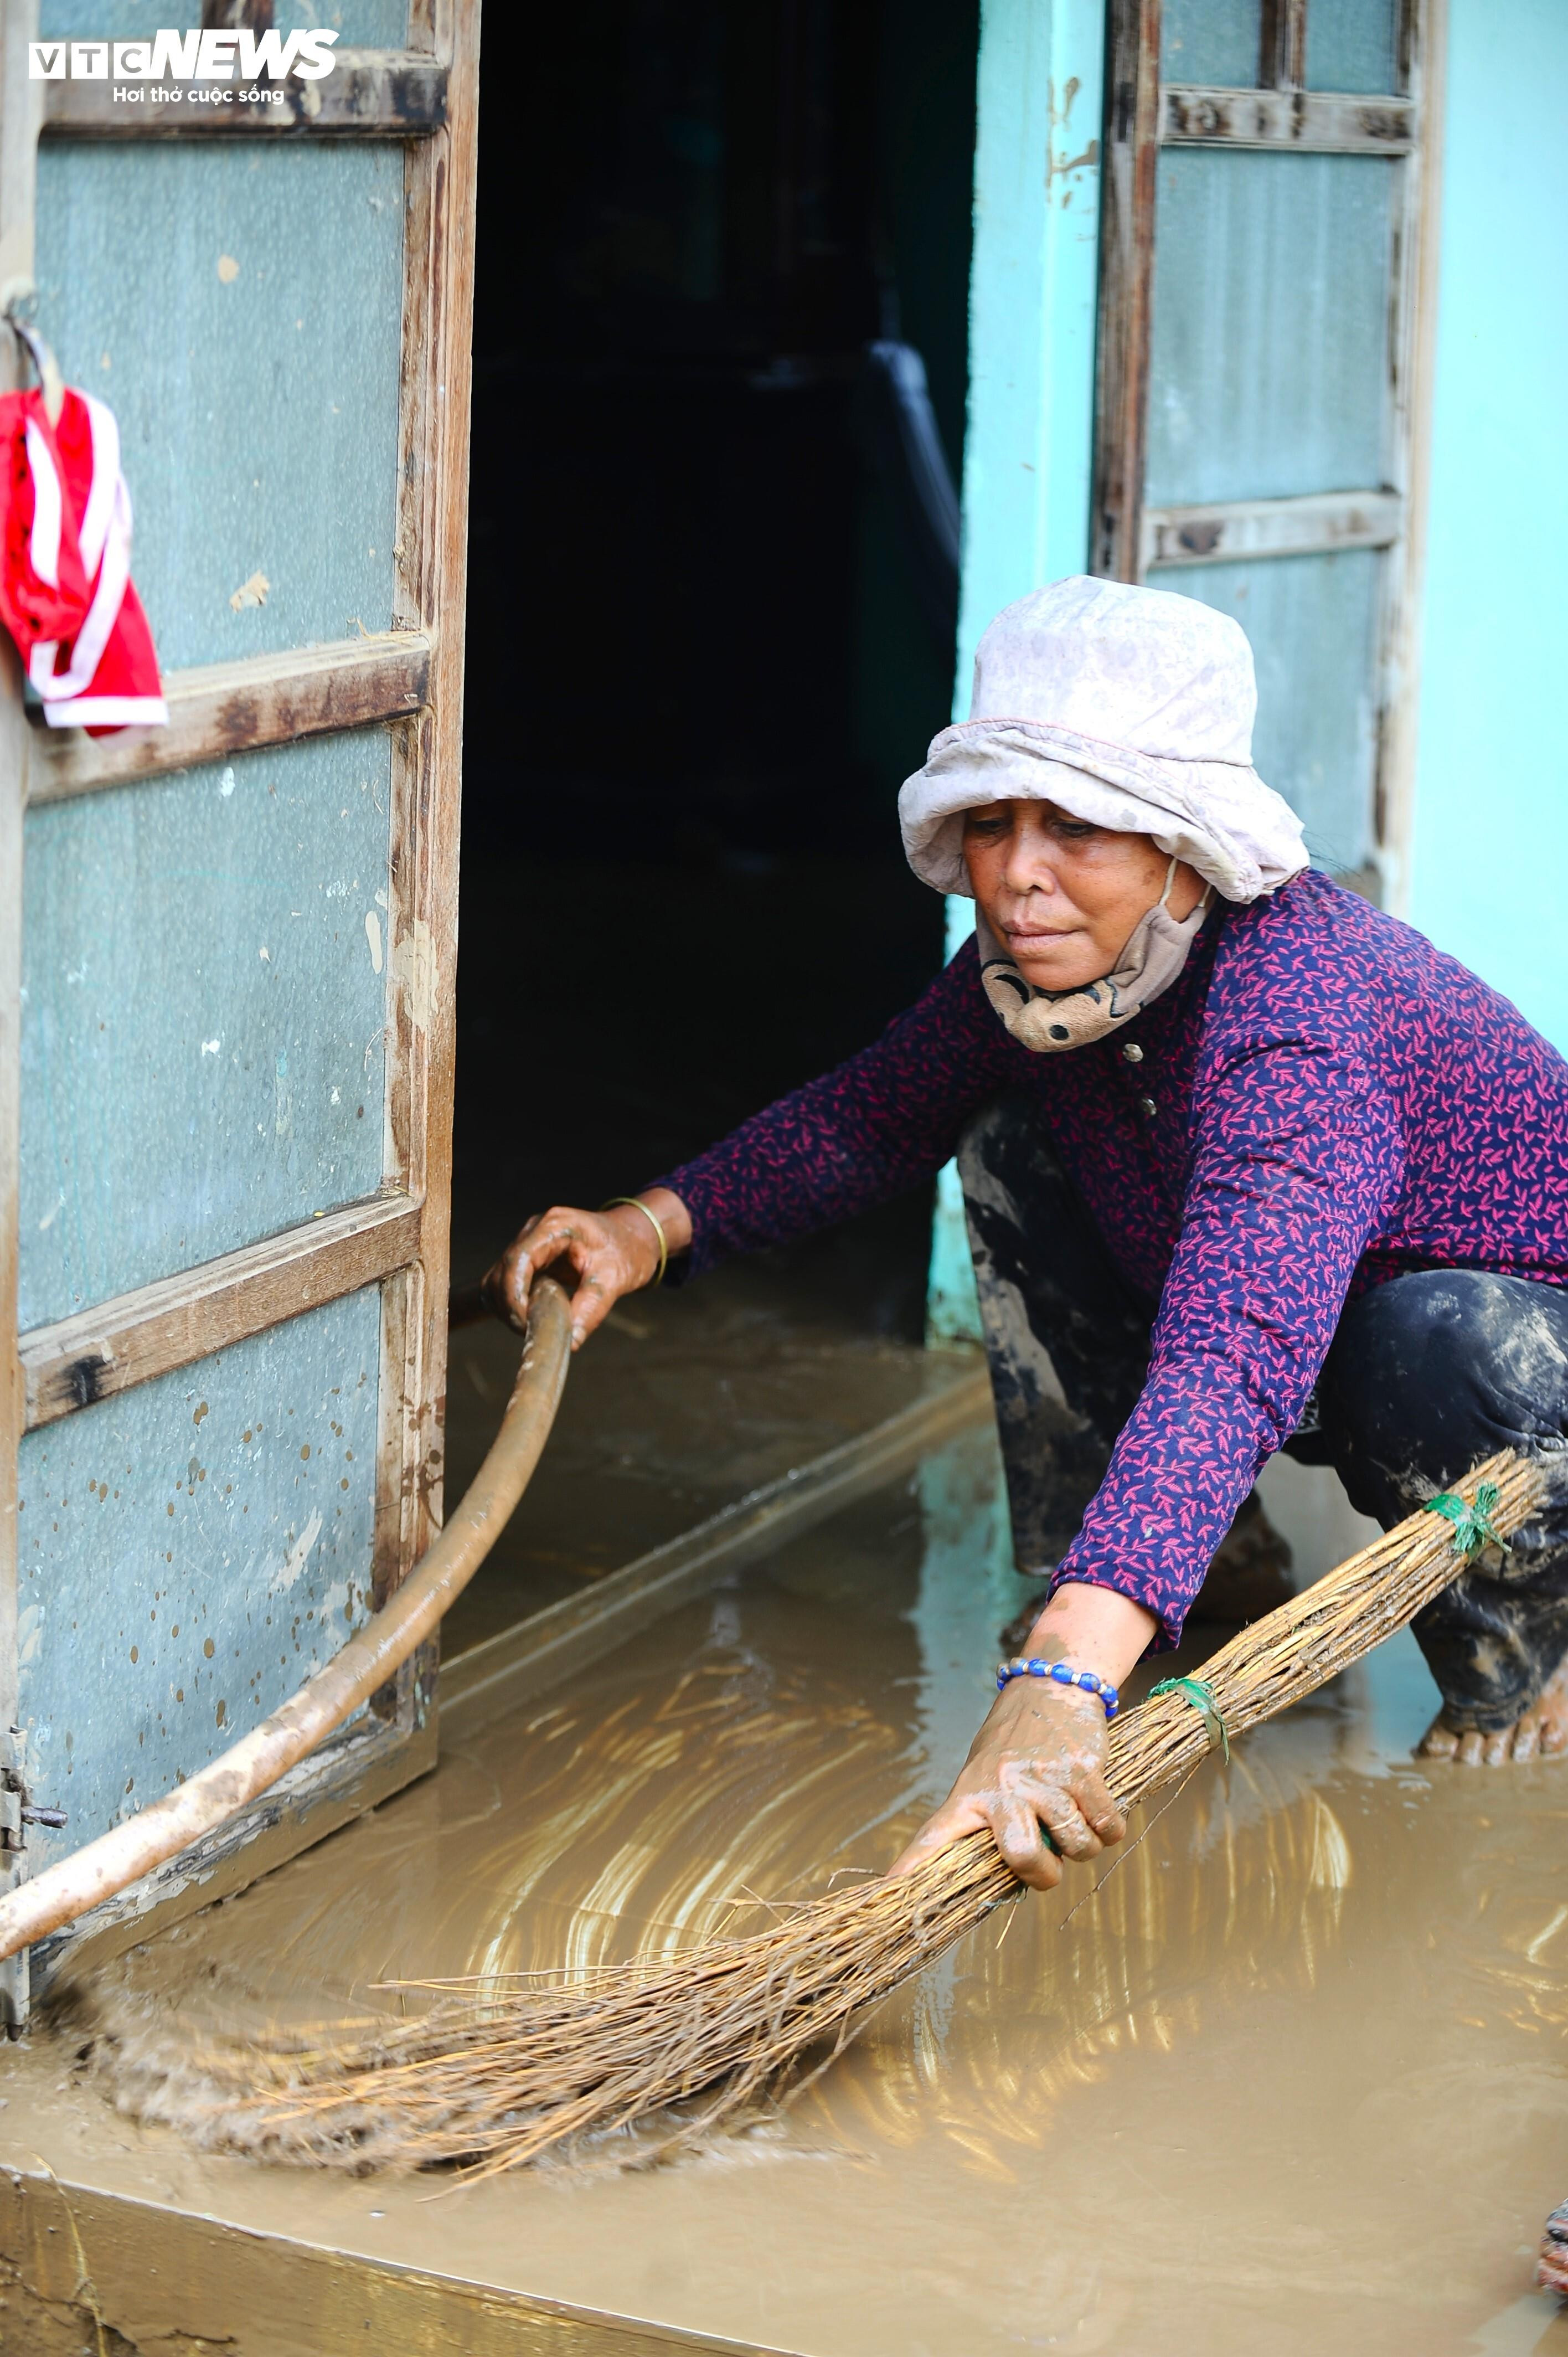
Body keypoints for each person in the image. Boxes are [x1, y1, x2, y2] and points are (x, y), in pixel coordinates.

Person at [486, 575, 1568, 1901]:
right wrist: (642, 1229)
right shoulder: (1045, 970)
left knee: (1426, 1341)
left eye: (1078, 828)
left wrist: (1058, 1679)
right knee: (1009, 1138)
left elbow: (1240, 1347)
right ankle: (1190, 1564)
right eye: (991, 823)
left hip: (1505, 1366)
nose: (1015, 875)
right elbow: (874, 1114)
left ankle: (1532, 1641)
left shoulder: (1305, 1017)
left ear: (1186, 846)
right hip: (1321, 1319)